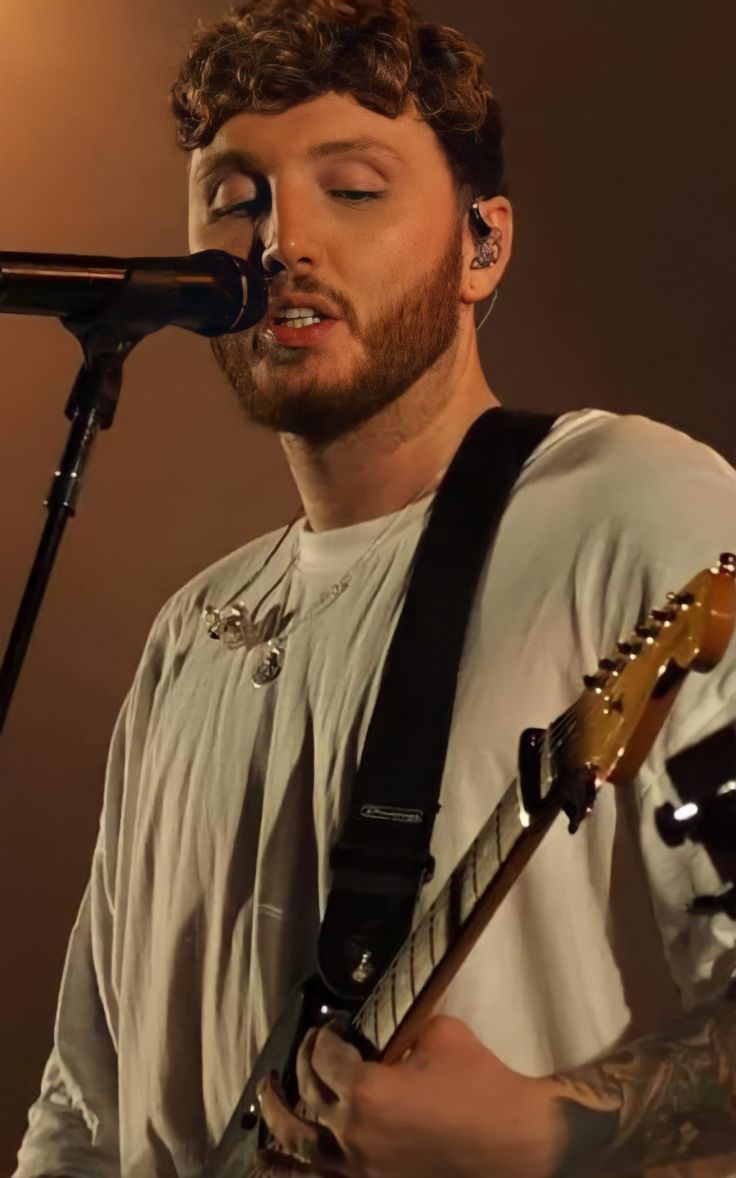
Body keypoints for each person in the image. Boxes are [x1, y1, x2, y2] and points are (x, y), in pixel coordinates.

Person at [13, 1, 736, 1176]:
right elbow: (86, 1105)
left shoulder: (635, 507)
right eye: (235, 196)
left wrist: (548, 1128)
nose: (278, 240)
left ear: (483, 243)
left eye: (351, 189)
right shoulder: (190, 628)